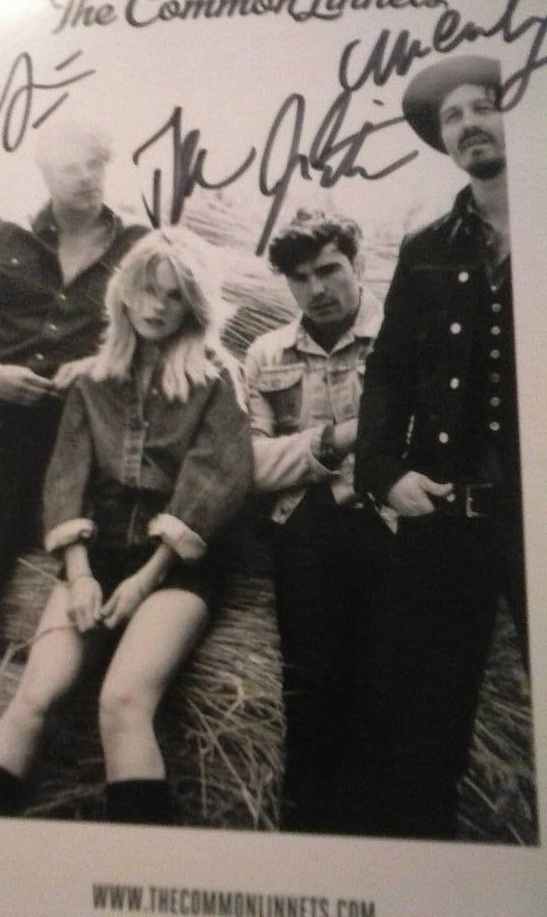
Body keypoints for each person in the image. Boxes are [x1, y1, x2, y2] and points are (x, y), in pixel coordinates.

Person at [0, 227, 253, 823]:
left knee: (122, 701)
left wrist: (144, 580)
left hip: (173, 565)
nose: (156, 307)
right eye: (147, 290)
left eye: (173, 295)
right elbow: (66, 479)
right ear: (124, 293)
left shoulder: (218, 377)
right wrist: (81, 573)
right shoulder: (93, 378)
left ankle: (140, 857)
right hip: (96, 553)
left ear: (194, 304)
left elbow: (214, 483)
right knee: (35, 697)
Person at [355, 55, 529, 839]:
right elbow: (388, 373)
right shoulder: (427, 247)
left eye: (484, 105)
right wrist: (383, 471)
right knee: (425, 731)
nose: (468, 125)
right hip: (447, 516)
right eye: (452, 117)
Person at [0, 122, 147, 652]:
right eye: (72, 167)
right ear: (45, 174)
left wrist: (98, 363)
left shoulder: (137, 246)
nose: (88, 177)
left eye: (96, 165)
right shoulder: (2, 236)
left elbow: (163, 334)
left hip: (74, 423)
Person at [245, 210, 394, 833]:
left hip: (394, 518)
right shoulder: (266, 353)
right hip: (305, 523)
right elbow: (253, 467)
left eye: (329, 270)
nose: (317, 289)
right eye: (300, 278)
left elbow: (423, 441)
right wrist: (343, 438)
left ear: (358, 264)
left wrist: (302, 452)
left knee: (388, 692)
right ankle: (308, 839)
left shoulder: (401, 336)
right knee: (310, 693)